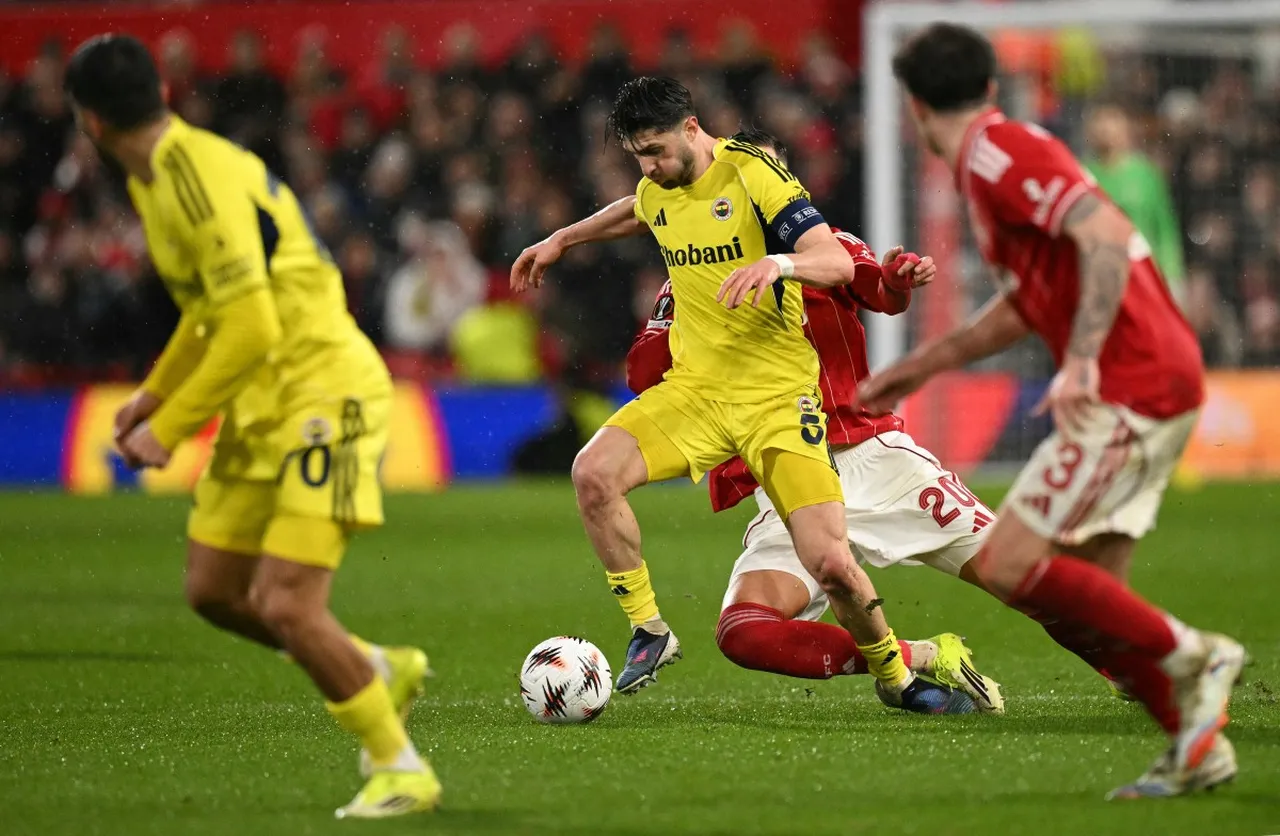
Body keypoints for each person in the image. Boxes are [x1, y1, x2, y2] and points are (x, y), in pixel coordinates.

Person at [860, 22, 1246, 798]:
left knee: (1010, 562)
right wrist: (921, 366)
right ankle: (1196, 751)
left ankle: (1199, 652)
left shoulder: (1000, 156)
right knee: (1102, 596)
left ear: (912, 106)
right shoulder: (993, 164)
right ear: (989, 88)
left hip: (1128, 381)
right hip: (1149, 373)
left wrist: (1077, 360)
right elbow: (1025, 304)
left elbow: (1103, 238)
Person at [64, 35, 440, 818]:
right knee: (214, 590)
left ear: (89, 122)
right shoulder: (157, 178)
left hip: (322, 393)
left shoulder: (194, 179)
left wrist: (173, 428)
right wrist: (154, 393)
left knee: (286, 603)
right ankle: (373, 666)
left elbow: (254, 326)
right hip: (262, 401)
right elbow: (210, 312)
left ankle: (398, 764)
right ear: (161, 91)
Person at [511, 77, 973, 714]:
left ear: (692, 129)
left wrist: (777, 264)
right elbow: (636, 208)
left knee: (832, 564)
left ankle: (899, 675)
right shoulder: (658, 187)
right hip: (697, 394)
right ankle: (649, 630)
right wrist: (563, 238)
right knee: (592, 473)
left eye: (655, 150)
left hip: (778, 401)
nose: (648, 167)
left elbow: (836, 263)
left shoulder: (753, 174)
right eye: (637, 155)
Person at [625, 129, 1003, 713]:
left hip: (870, 456)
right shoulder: (691, 280)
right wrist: (681, 315)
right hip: (785, 478)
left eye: (778, 185)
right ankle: (917, 657)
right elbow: (643, 375)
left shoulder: (828, 250)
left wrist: (898, 280)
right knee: (742, 631)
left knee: (1021, 572)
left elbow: (878, 288)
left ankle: (1131, 661)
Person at [1083, 102, 1186, 303]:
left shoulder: (1146, 174)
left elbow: (1165, 227)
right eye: (1100, 119)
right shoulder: (1082, 174)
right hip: (1098, 280)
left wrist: (1174, 276)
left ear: (1126, 127)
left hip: (1143, 276)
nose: (1105, 127)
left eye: (1112, 119)